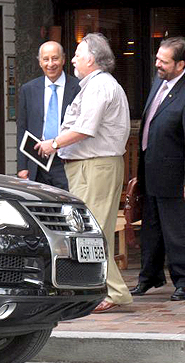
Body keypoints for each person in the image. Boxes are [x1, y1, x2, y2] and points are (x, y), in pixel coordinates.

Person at [35, 32, 132, 313]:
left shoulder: (100, 86)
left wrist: (53, 144)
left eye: (78, 54)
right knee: (91, 230)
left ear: (91, 59)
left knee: (94, 230)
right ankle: (102, 288)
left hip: (95, 166)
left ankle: (112, 291)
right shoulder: (94, 85)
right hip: (92, 166)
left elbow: (84, 129)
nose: (73, 59)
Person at [130, 37, 185, 302]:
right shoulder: (159, 83)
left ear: (180, 64)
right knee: (151, 230)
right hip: (151, 172)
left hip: (175, 179)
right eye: (157, 59)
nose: (157, 64)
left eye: (164, 61)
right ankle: (149, 277)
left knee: (177, 232)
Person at [17, 41, 80, 190]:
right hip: (37, 161)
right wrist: (22, 167)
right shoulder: (28, 89)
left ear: (63, 60)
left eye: (55, 58)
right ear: (39, 62)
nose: (50, 64)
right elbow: (22, 128)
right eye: (45, 59)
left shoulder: (78, 88)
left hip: (66, 161)